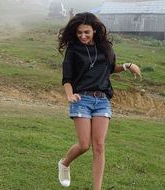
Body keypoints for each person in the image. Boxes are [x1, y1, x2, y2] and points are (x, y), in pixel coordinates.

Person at [57, 12, 141, 189]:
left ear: (94, 30)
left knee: (99, 146)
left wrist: (127, 66)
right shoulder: (73, 49)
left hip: (102, 100)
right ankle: (64, 163)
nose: (83, 36)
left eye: (86, 32)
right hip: (81, 99)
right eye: (79, 32)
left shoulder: (105, 48)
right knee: (84, 145)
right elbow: (67, 78)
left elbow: (110, 69)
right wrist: (69, 95)